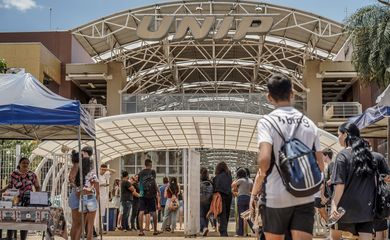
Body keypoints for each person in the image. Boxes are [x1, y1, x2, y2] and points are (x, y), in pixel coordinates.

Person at [253, 74, 324, 240]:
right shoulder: (309, 123)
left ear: (269, 97)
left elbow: (264, 159)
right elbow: (320, 164)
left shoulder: (267, 122)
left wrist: (262, 175)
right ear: (292, 93)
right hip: (305, 195)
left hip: (276, 195)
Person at [330, 122, 376, 240]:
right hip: (367, 208)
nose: (338, 138)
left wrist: (334, 205)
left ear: (345, 134)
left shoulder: (342, 156)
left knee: (335, 238)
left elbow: (340, 185)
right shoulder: (369, 156)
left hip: (344, 210)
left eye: (339, 135)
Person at [0, 157, 41, 240]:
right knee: (11, 218)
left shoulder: (32, 174)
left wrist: (38, 197)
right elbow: (10, 185)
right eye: (23, 163)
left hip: (28, 200)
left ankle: (23, 238)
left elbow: (37, 186)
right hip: (15, 200)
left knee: (25, 218)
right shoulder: (14, 174)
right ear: (19, 164)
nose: (25, 164)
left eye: (27, 163)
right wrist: (2, 191)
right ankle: (9, 237)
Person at [69, 146, 99, 240]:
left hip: (79, 195)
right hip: (87, 197)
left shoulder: (79, 169)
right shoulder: (89, 171)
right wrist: (97, 194)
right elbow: (96, 183)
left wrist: (78, 190)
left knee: (78, 225)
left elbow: (71, 179)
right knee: (85, 225)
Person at [138, 159, 161, 236]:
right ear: (150, 165)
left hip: (142, 194)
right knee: (153, 211)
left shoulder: (140, 172)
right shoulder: (152, 172)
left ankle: (141, 231)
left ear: (145, 164)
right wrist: (158, 190)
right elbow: (154, 181)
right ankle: (155, 230)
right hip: (151, 194)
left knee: (141, 211)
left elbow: (139, 182)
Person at [372, 151, 390, 240]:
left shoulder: (357, 156)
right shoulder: (378, 156)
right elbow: (388, 177)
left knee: (364, 229)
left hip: (363, 198)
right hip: (379, 198)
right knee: (379, 226)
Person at [232, 168, 253, 237]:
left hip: (241, 198)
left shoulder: (240, 180)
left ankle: (240, 233)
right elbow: (251, 190)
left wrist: (236, 179)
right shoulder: (250, 180)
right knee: (248, 216)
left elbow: (233, 185)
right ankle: (255, 229)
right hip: (248, 198)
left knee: (241, 216)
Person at [213, 161, 233, 237]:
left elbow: (215, 188)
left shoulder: (216, 177)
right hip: (228, 196)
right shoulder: (229, 176)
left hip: (220, 196)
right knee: (227, 213)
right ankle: (224, 230)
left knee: (222, 214)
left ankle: (223, 232)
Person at [95, 164, 116, 234]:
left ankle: (100, 228)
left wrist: (107, 169)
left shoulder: (105, 174)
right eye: (102, 169)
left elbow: (114, 172)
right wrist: (102, 185)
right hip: (98, 195)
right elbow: (94, 185)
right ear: (100, 169)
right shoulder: (97, 175)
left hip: (104, 196)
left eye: (104, 170)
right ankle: (96, 228)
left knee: (102, 213)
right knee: (97, 212)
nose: (103, 171)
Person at [200, 167, 213, 236]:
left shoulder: (200, 182)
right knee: (207, 216)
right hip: (208, 201)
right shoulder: (210, 183)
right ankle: (205, 229)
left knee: (201, 216)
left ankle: (204, 228)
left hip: (201, 201)